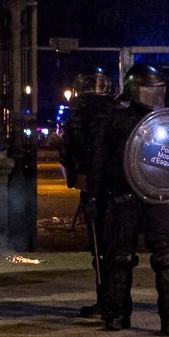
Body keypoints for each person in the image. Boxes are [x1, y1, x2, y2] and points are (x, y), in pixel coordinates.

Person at [93, 63, 169, 335]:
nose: (152, 95)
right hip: (125, 195)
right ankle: (122, 315)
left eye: (156, 90)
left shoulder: (166, 120)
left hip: (154, 195)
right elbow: (101, 158)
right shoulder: (117, 117)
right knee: (120, 256)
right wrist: (95, 194)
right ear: (133, 90)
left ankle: (167, 318)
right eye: (147, 90)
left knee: (163, 257)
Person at [61, 67, 116, 319]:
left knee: (103, 248)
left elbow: (71, 150)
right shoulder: (112, 113)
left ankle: (109, 301)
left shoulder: (79, 115)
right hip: (112, 185)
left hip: (99, 185)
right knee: (109, 247)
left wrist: (78, 176)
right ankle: (112, 301)